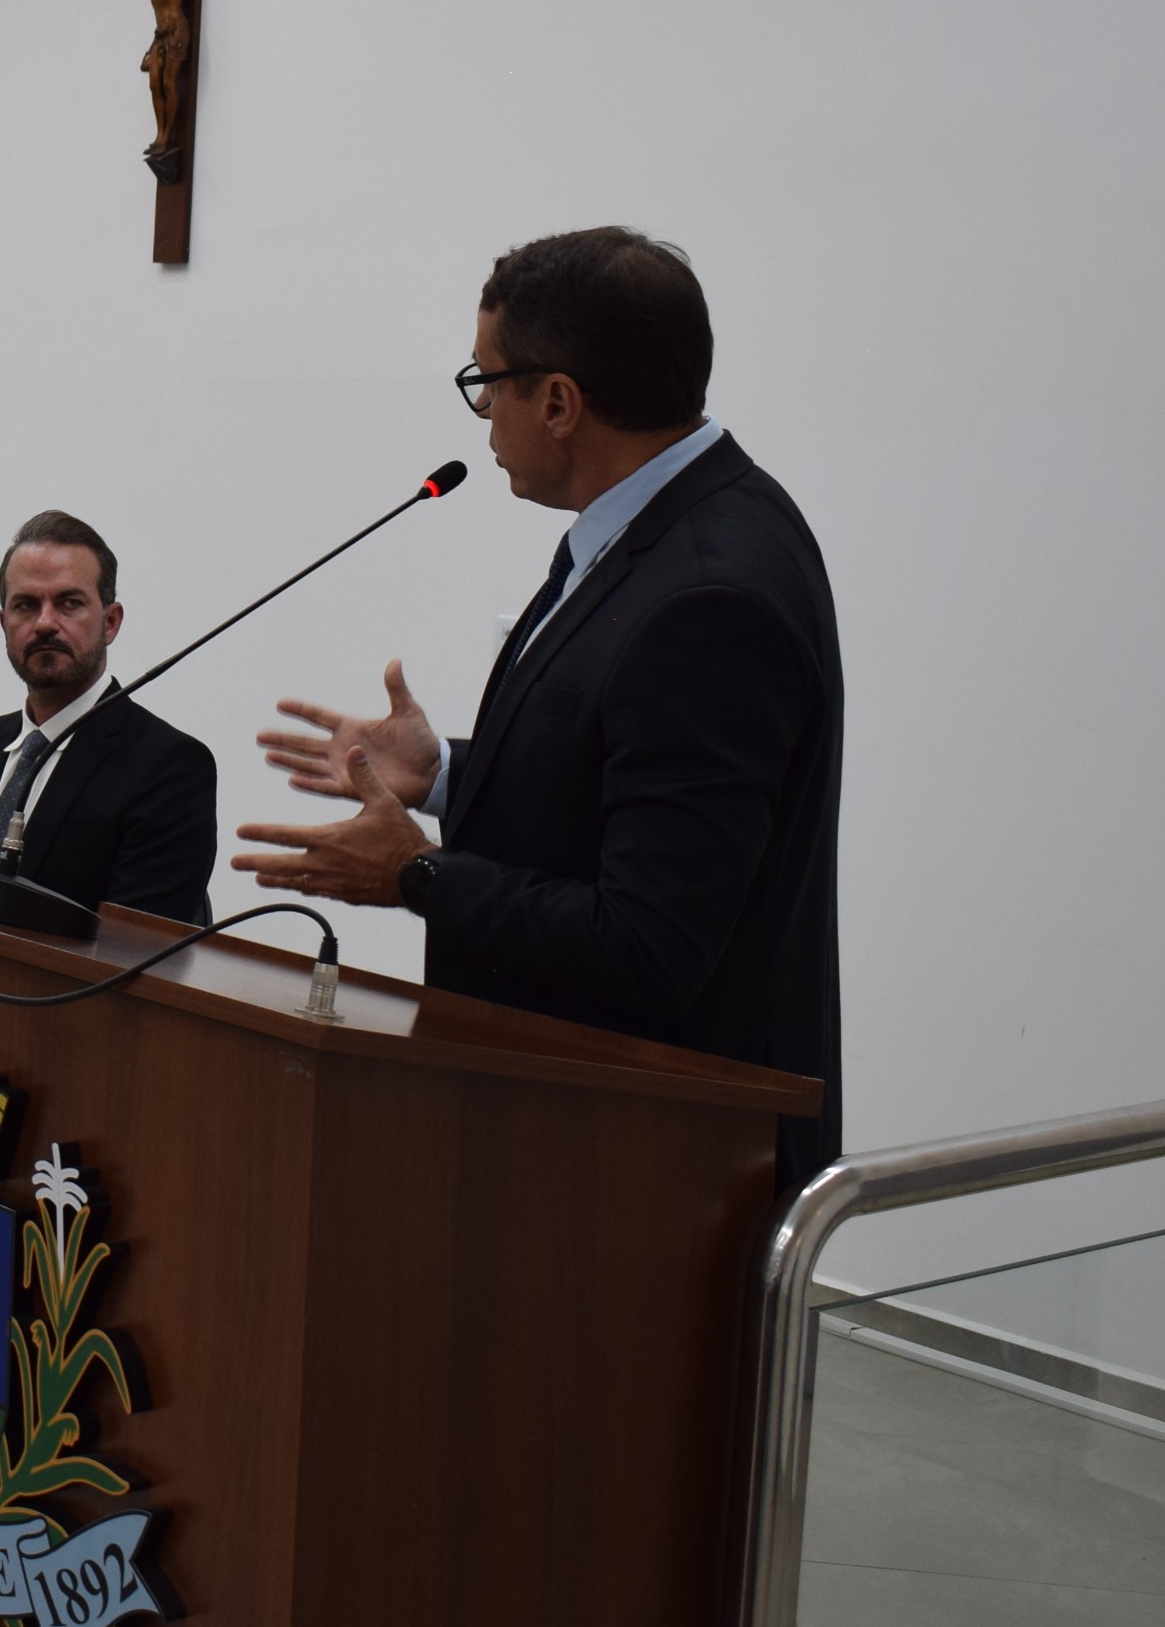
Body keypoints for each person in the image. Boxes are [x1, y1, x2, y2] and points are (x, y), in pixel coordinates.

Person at [229, 225, 845, 1185]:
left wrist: (418, 876)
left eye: (486, 384)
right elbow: (624, 785)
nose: (481, 422)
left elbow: (649, 944)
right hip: (576, 1135)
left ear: (558, 401)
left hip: (646, 1162)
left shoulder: (709, 591)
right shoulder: (670, 521)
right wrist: (448, 775)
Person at [0, 513, 217, 924]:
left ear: (111, 621)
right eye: (26, 605)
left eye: (69, 603)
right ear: (4, 623)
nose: (46, 623)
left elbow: (135, 949)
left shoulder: (170, 766)